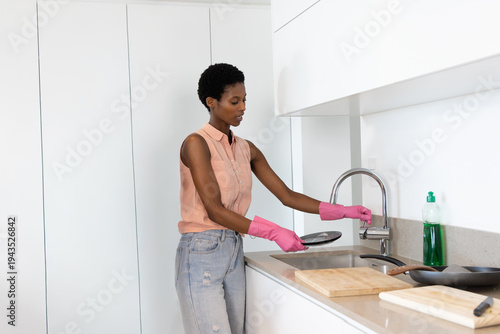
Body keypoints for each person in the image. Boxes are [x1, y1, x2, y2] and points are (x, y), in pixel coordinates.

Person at [175, 63, 371, 334]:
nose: (243, 107)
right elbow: (214, 210)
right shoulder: (196, 143)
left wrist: (343, 211)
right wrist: (274, 231)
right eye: (235, 101)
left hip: (233, 247)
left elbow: (286, 195)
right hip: (201, 251)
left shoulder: (246, 148)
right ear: (212, 102)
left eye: (244, 100)